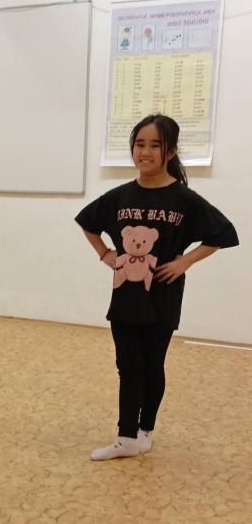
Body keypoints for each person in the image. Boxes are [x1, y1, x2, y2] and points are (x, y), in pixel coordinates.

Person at [75, 113, 238, 461]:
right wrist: (105, 253)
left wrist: (184, 262)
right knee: (127, 366)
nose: (145, 152)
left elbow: (223, 234)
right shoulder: (120, 196)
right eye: (139, 144)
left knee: (152, 365)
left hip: (162, 297)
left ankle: (145, 429)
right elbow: (87, 222)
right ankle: (125, 437)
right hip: (125, 297)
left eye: (154, 145)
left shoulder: (184, 199)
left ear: (171, 151)